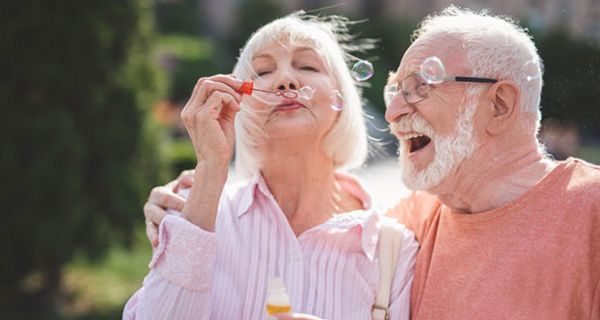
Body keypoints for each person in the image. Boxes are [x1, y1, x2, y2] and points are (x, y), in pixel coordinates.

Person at [123, 12, 418, 320]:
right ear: (239, 105)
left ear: (341, 99)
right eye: (263, 71)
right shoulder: (195, 216)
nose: (286, 80)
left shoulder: (393, 248)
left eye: (307, 66)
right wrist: (210, 167)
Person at [383, 6, 600, 319]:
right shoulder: (409, 222)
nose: (394, 113)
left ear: (500, 105)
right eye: (397, 91)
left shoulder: (591, 211)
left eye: (421, 87)